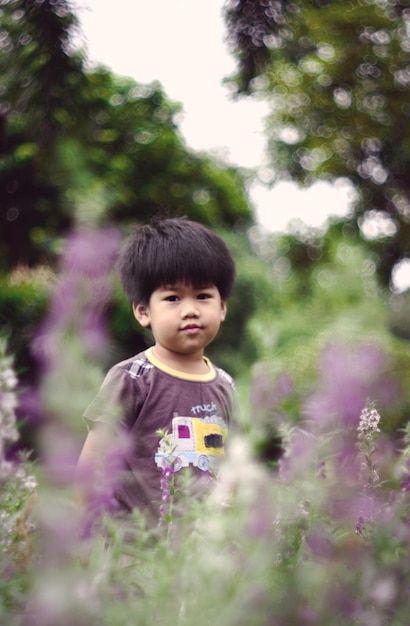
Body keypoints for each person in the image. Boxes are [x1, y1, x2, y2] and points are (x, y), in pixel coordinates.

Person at [76, 216, 237, 530]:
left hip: (205, 556)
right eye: (173, 298)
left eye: (203, 296)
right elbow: (94, 461)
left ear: (222, 307)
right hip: (138, 554)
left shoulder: (225, 385)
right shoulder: (132, 378)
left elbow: (231, 463)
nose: (190, 309)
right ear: (143, 311)